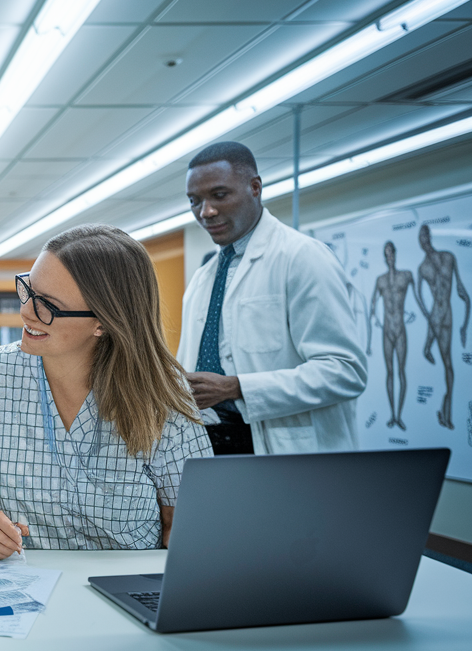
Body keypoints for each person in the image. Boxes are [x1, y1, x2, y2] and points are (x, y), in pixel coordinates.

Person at [0, 225, 212, 558]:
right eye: (28, 290)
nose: (26, 311)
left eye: (48, 305)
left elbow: (185, 524)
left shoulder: (163, 391)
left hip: (123, 580)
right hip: (23, 577)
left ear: (103, 322)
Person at [177, 141, 367, 454]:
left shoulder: (302, 257)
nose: (205, 212)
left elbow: (345, 371)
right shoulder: (204, 277)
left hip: (282, 450)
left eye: (219, 195)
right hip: (210, 445)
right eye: (194, 201)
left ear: (255, 187)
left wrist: (237, 387)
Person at [415, 224, 469, 430]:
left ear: (430, 236)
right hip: (437, 316)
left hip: (448, 314)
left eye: (426, 235)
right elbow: (420, 297)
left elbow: (461, 290)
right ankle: (446, 414)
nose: (424, 240)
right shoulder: (422, 268)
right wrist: (427, 316)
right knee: (448, 364)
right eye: (421, 238)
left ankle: (445, 410)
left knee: (449, 365)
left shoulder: (448, 257)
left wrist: (465, 325)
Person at [367, 241, 414, 430]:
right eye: (386, 254)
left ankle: (399, 415)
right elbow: (372, 308)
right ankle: (392, 415)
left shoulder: (406, 276)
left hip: (400, 328)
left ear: (395, 253)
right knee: (390, 372)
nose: (390, 257)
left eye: (391, 253)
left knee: (401, 371)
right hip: (387, 330)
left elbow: (418, 297)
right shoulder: (381, 280)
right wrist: (370, 341)